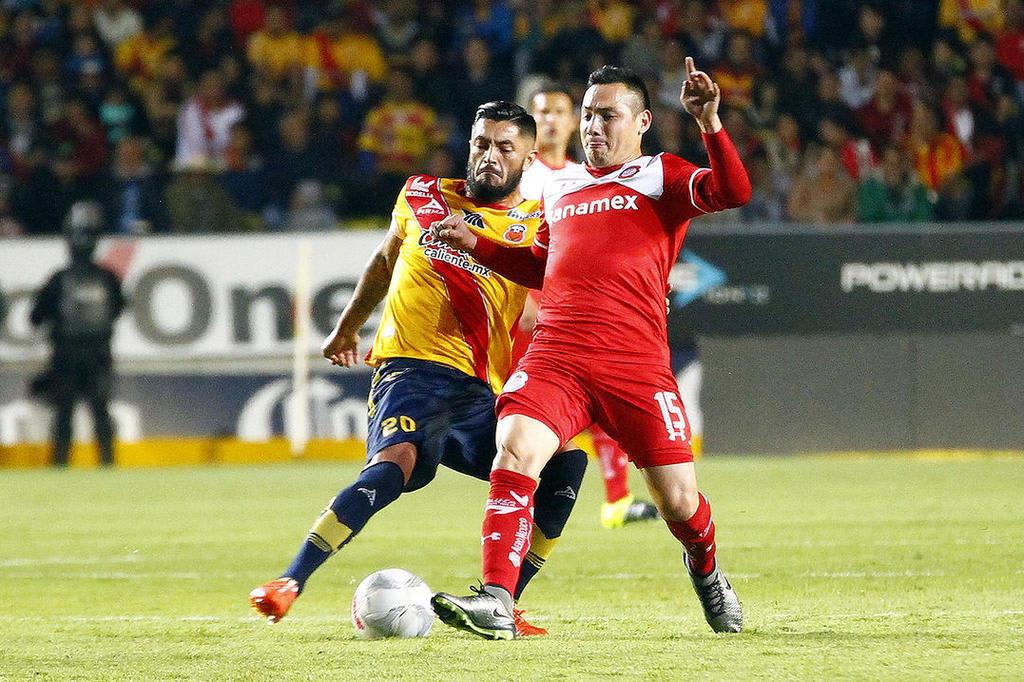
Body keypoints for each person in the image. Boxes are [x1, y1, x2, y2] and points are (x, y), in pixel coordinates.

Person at [431, 62, 751, 639]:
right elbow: (539, 264)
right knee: (516, 448)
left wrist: (709, 123)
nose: (593, 126)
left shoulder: (660, 175)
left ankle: (707, 573)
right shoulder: (560, 187)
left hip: (635, 365)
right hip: (559, 356)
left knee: (678, 501)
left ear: (643, 121)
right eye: (588, 115)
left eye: (608, 115)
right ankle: (498, 597)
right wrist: (477, 243)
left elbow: (733, 190)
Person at [249, 102, 588, 638]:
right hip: (411, 372)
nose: (490, 156)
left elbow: (562, 289)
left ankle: (503, 602)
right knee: (395, 464)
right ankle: (289, 582)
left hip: (480, 390)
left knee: (565, 465)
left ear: (527, 158)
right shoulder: (423, 194)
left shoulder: (540, 225)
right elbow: (385, 260)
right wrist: (347, 327)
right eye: (481, 143)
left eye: (505, 148)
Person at [520, 82, 659, 529]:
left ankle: (616, 498)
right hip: (527, 307)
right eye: (543, 112)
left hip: (568, 311)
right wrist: (524, 296)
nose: (552, 120)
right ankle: (525, 504)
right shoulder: (524, 174)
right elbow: (521, 244)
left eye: (561, 111)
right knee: (521, 416)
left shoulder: (583, 175)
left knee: (596, 405)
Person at [30, 201, 127, 467]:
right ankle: (107, 463)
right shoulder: (108, 278)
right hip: (99, 354)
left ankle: (61, 464)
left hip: (65, 355)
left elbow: (36, 317)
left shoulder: (59, 279)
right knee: (100, 412)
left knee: (64, 414)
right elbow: (118, 309)